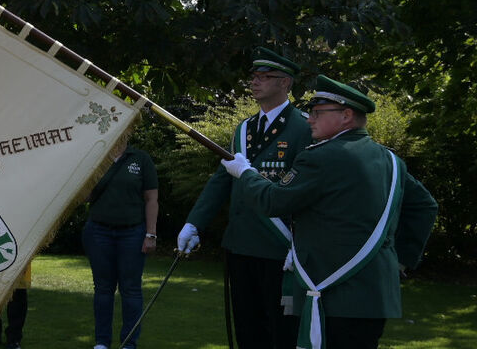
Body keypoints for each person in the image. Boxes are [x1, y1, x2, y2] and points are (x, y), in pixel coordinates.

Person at [220, 74, 438, 349]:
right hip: (374, 294)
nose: (310, 118)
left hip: (331, 292)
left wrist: (246, 173)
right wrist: (400, 261)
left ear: (346, 116)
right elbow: (425, 206)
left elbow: (273, 201)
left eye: (318, 113)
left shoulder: (320, 157)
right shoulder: (390, 160)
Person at [177, 47, 311, 348]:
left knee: (281, 330)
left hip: (278, 248)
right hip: (241, 243)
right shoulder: (244, 129)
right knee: (247, 329)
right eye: (254, 77)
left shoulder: (303, 128)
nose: (255, 82)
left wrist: (302, 240)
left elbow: (306, 190)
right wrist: (194, 222)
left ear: (285, 84)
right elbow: (222, 178)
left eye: (265, 77)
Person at [82, 141, 158, 349]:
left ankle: (128, 343)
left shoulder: (141, 158)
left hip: (132, 232)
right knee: (103, 289)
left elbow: (152, 198)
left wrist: (151, 233)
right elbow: (84, 197)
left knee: (131, 289)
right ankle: (102, 342)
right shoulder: (97, 156)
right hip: (98, 232)